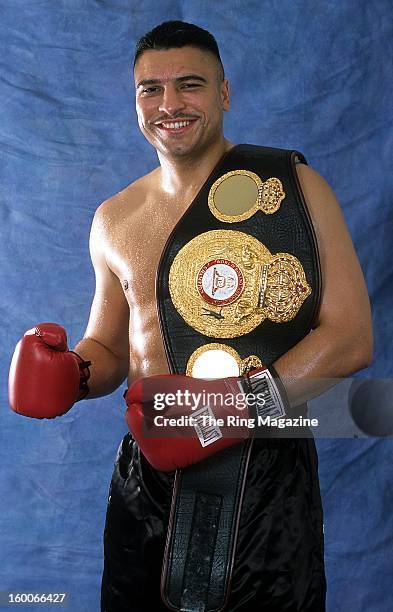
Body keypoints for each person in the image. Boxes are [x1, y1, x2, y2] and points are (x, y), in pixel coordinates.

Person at [9, 20, 373, 612]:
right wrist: (73, 374)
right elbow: (110, 346)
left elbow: (352, 337)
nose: (169, 104)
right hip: (148, 475)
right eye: (150, 89)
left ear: (224, 94)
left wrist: (231, 406)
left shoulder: (293, 186)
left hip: (261, 469)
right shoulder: (115, 217)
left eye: (189, 85)